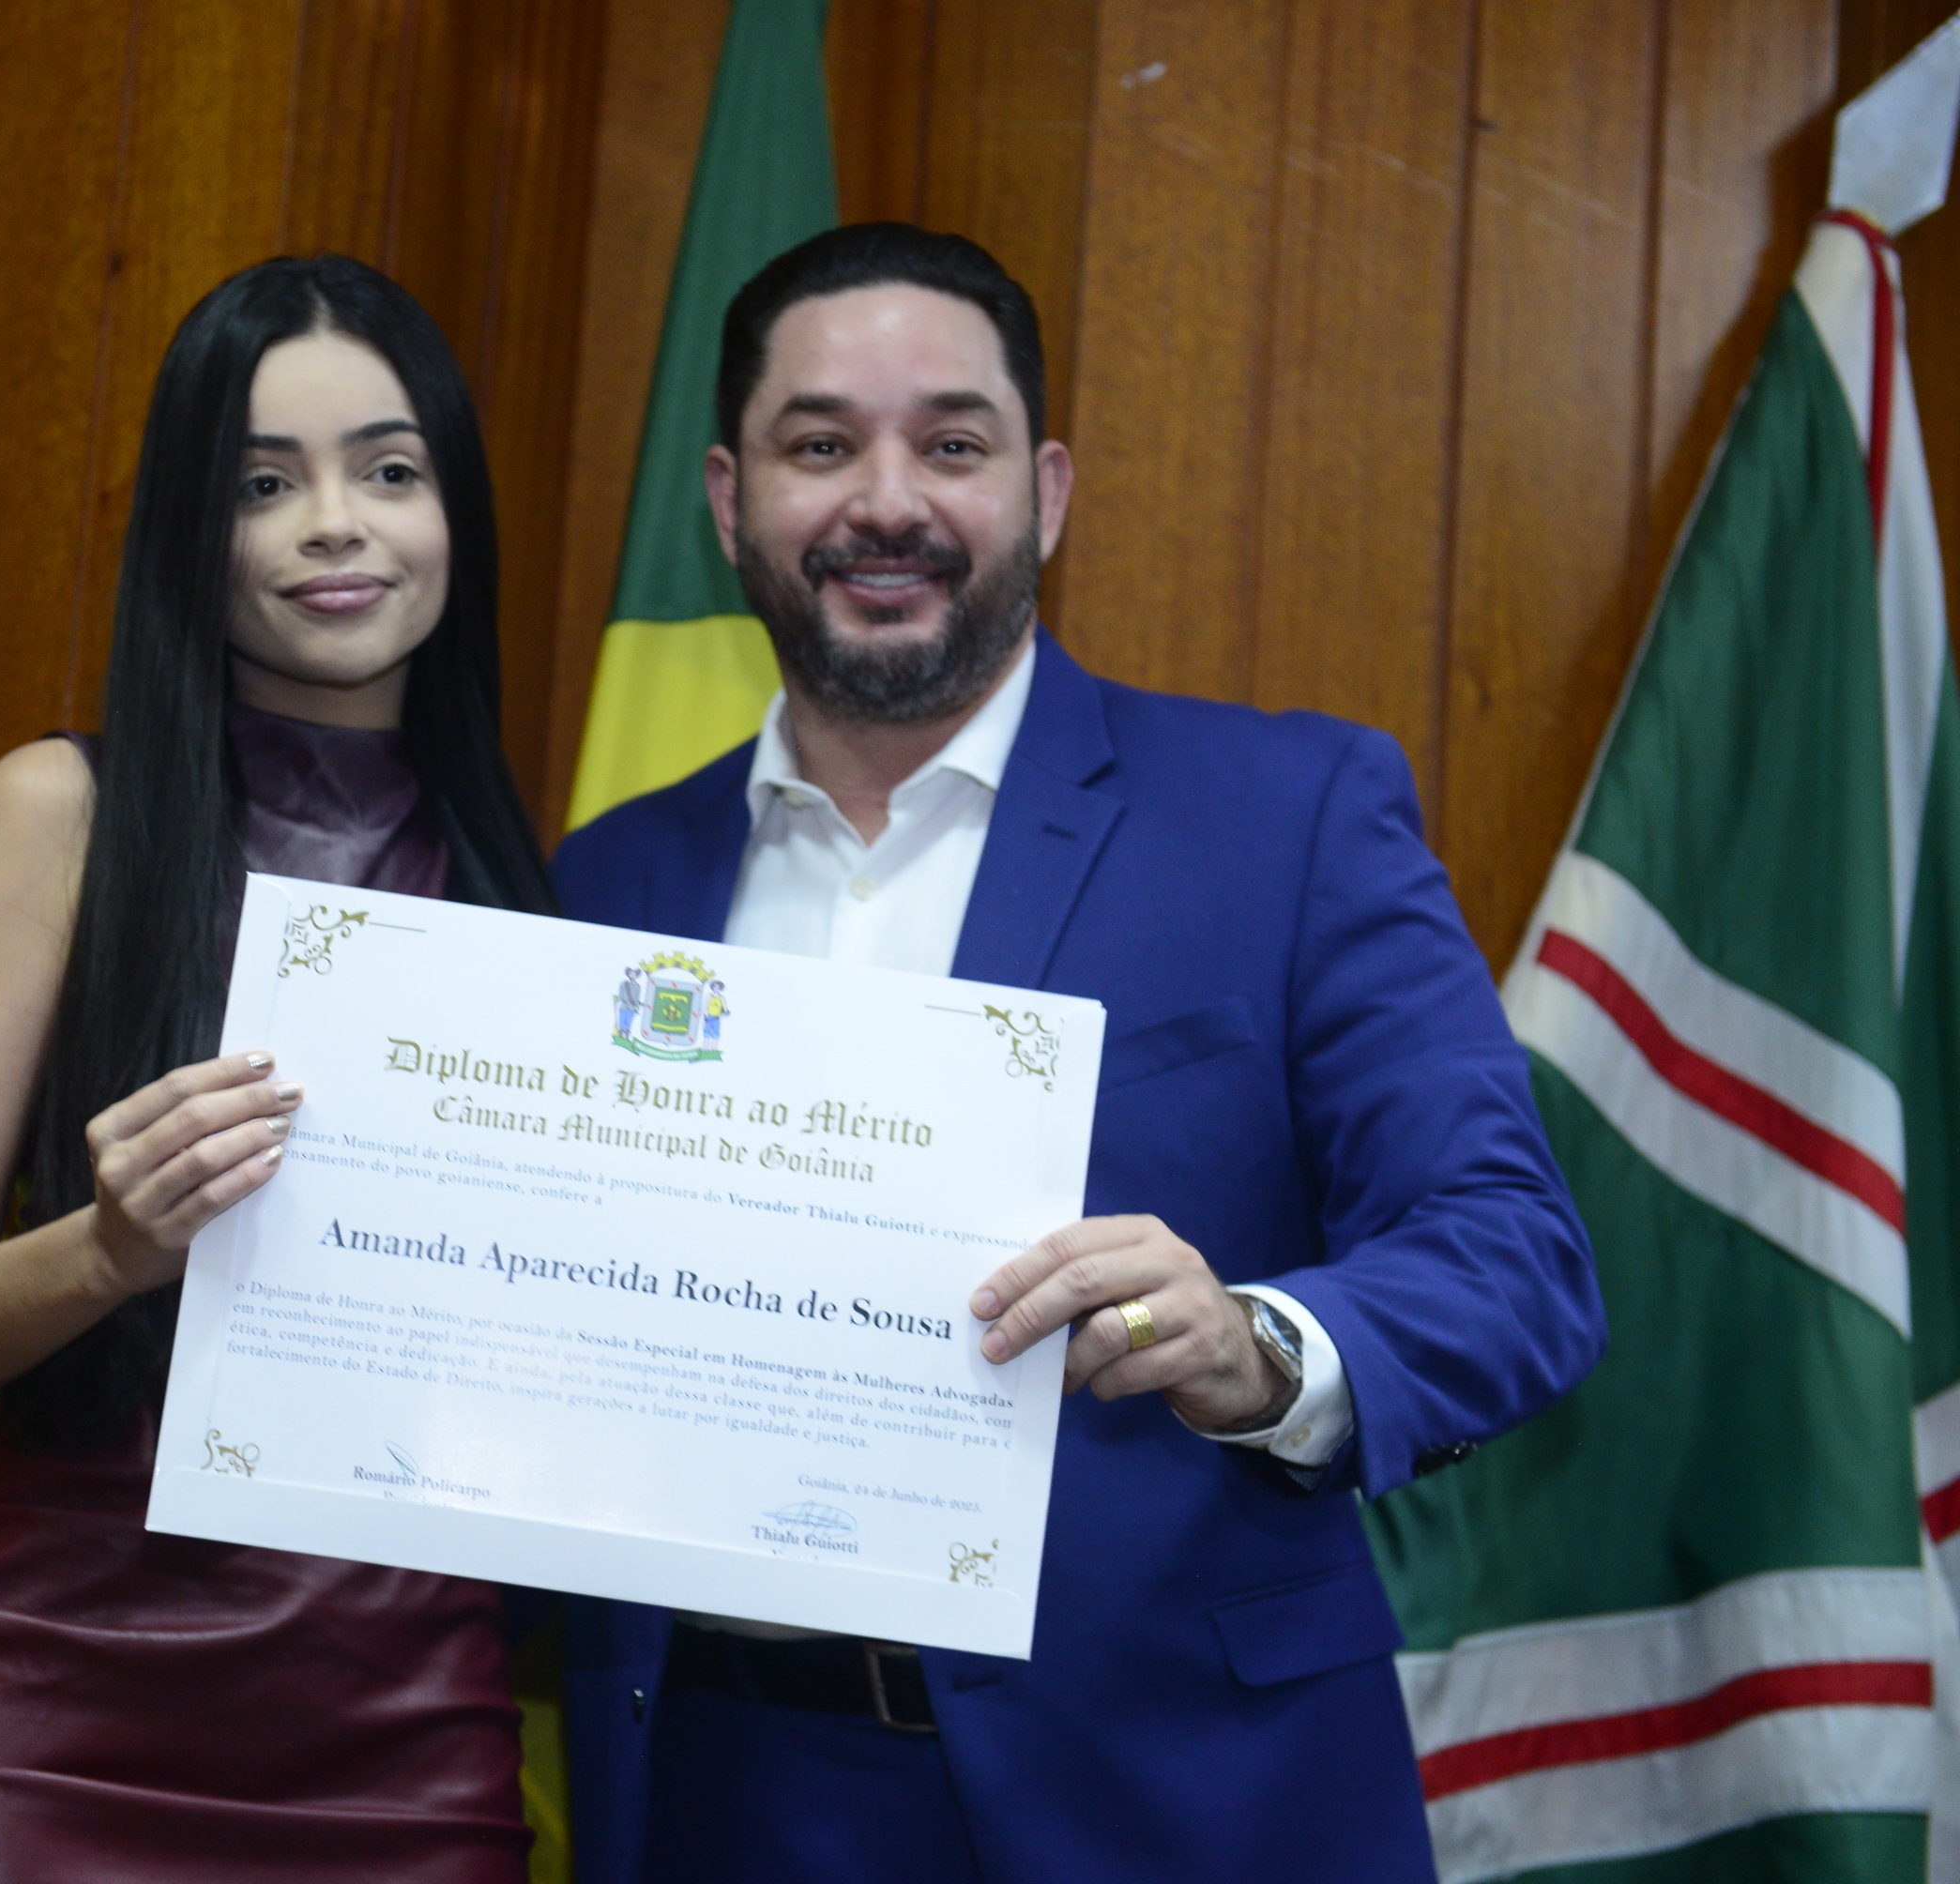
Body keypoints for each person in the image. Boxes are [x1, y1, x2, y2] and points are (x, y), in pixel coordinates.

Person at [552, 223, 1603, 1883]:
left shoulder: (1290, 819)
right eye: (820, 445)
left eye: (951, 445)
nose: (886, 502)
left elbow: (1513, 1257)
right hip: (713, 1792)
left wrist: (1260, 1348)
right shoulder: (600, 883)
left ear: (1044, 493)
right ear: (729, 499)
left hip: (1178, 1803)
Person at [0, 255, 555, 1883]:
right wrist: (108, 1247)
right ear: (186, 536)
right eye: (263, 485)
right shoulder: (58, 816)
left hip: (407, 1721)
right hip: (38, 1697)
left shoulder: (528, 894)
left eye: (390, 471)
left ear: (457, 513)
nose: (335, 525)